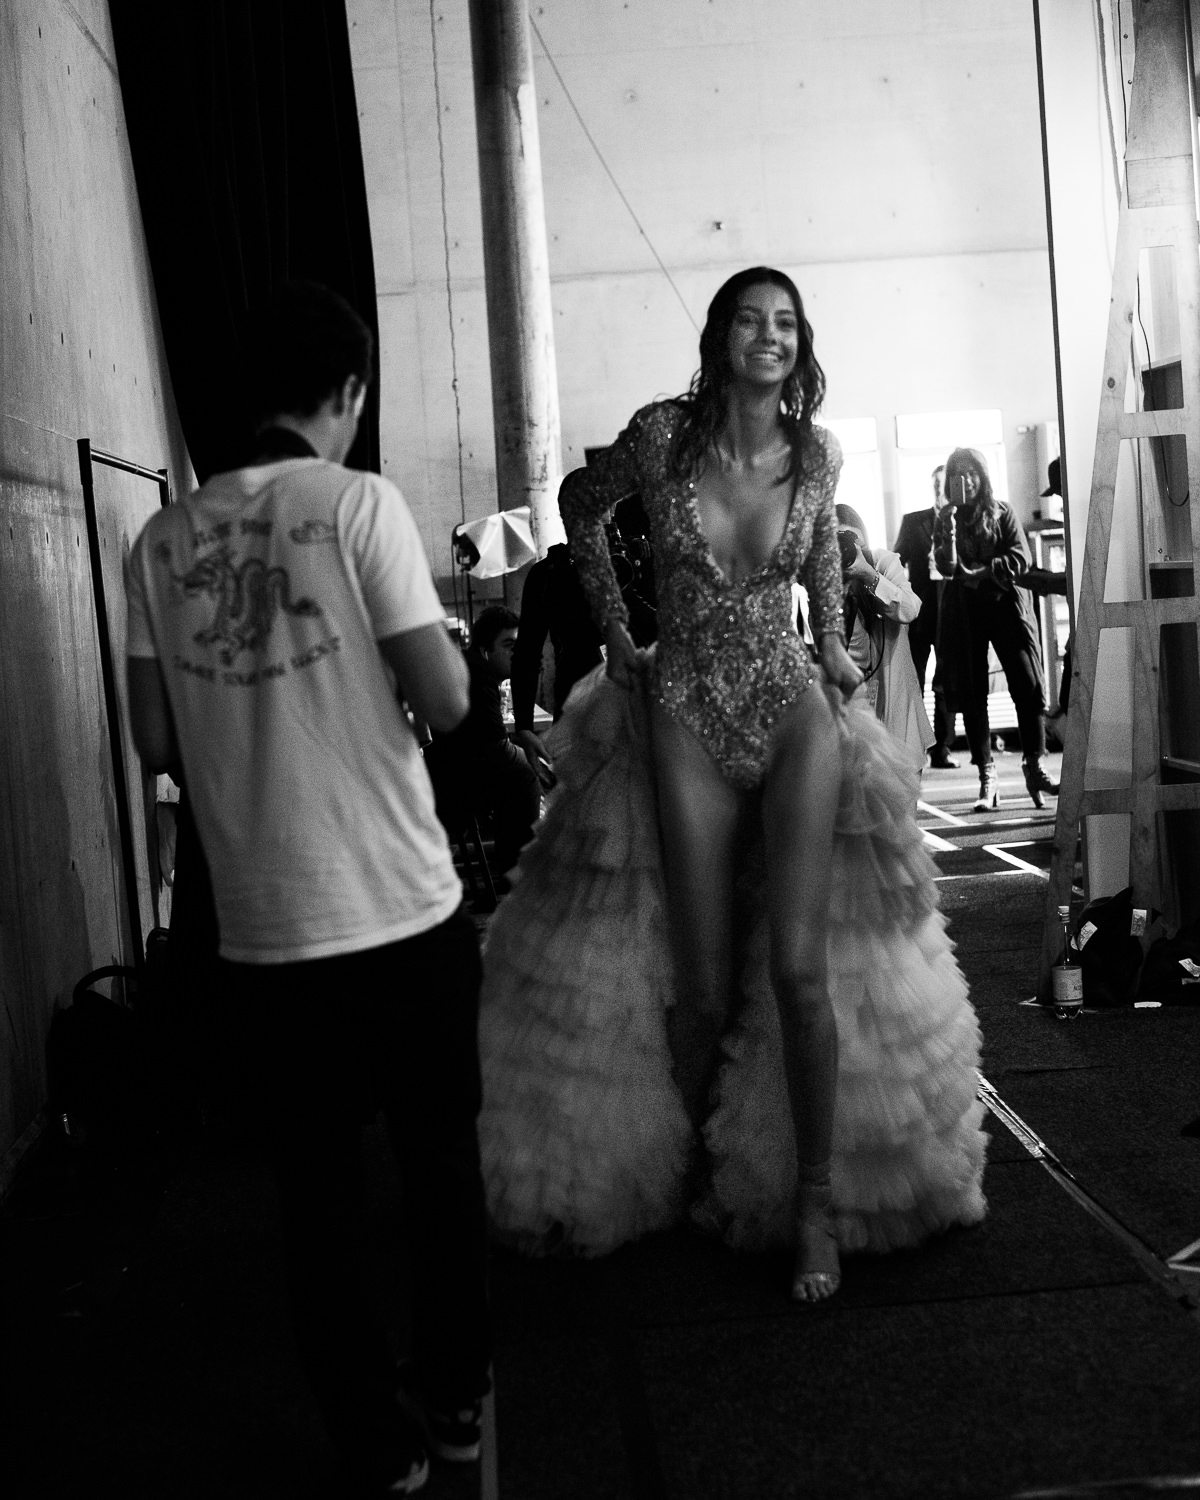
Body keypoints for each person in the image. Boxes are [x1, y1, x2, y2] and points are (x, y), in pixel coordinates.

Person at [478, 268, 986, 1300]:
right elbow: (580, 504)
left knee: (801, 975)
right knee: (705, 984)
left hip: (792, 707)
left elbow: (821, 585)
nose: (771, 336)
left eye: (787, 322)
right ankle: (689, 1173)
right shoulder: (661, 435)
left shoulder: (819, 450)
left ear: (802, 344)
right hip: (683, 711)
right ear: (719, 337)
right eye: (751, 320)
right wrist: (618, 632)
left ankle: (812, 1207)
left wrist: (841, 651)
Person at [124, 282, 491, 1497]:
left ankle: (370, 1440)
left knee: (316, 1196)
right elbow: (442, 703)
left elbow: (157, 740)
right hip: (399, 905)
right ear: (346, 395)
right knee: (439, 1165)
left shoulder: (159, 542)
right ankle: (450, 1396)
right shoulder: (354, 504)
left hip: (268, 931)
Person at [934, 447, 1058, 811]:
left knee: (1028, 684)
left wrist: (986, 570)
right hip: (966, 612)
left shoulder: (1002, 511)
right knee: (973, 695)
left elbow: (1023, 557)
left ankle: (1035, 765)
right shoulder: (947, 516)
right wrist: (949, 534)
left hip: (1005, 606)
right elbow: (945, 566)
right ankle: (987, 778)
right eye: (958, 474)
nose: (966, 480)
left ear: (982, 476)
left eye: (972, 473)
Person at [431, 603, 541, 877]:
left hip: (449, 778)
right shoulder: (477, 674)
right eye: (508, 645)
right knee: (526, 774)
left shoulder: (474, 669)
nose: (516, 654)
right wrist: (529, 758)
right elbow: (495, 746)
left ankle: (514, 868)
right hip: (454, 787)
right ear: (484, 650)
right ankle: (517, 873)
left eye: (519, 646)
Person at [837, 503, 933, 776]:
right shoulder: (820, 578)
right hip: (849, 712)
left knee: (900, 808)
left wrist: (868, 575)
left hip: (890, 703)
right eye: (836, 540)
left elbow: (910, 608)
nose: (844, 549)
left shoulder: (881, 562)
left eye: (851, 540)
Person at [509, 538, 603, 785]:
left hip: (584, 697)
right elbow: (527, 652)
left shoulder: (549, 571)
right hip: (578, 703)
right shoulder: (550, 572)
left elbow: (527, 652)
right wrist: (524, 725)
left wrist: (524, 726)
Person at [893, 464, 960, 767]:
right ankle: (914, 745)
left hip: (951, 610)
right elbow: (896, 562)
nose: (937, 488)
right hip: (919, 611)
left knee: (946, 679)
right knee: (914, 679)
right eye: (934, 483)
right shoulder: (913, 521)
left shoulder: (961, 520)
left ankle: (942, 748)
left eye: (942, 483)